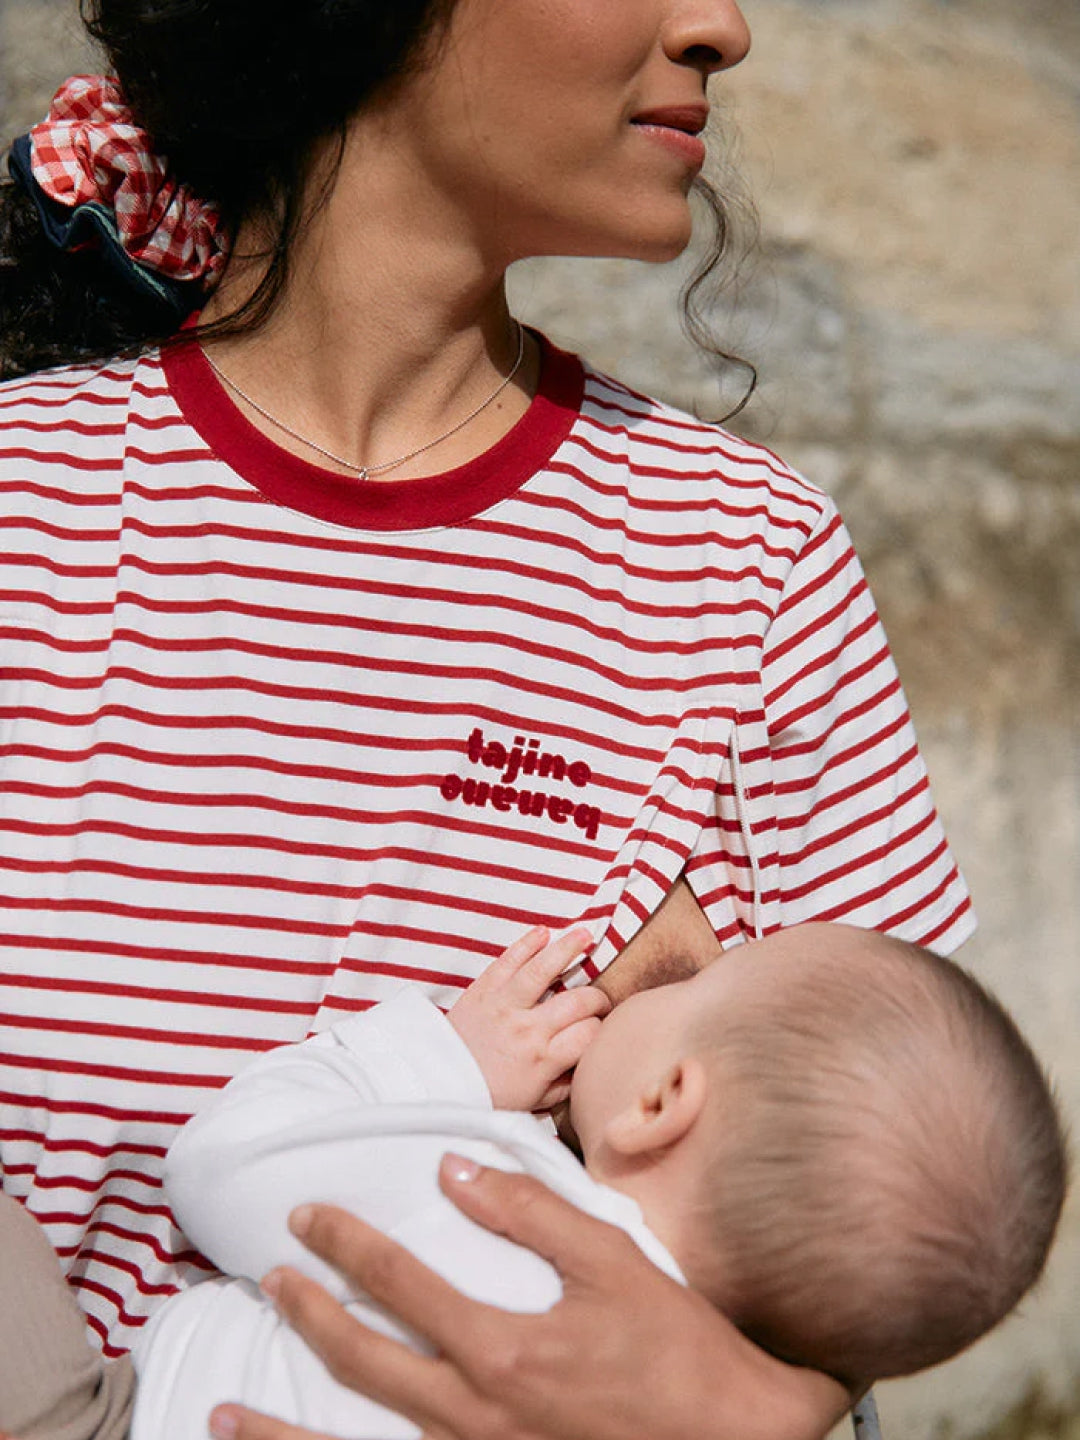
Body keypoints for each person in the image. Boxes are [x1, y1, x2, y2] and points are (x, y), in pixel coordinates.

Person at [0, 2, 978, 1438]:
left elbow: (894, 1198)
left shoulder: (749, 566)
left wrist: (748, 1409)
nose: (722, 26)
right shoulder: (29, 513)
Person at [0, 922, 1064, 1440]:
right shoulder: (696, 1380)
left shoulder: (499, 1192)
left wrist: (446, 1064)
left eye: (701, 980)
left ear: (662, 1103)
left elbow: (222, 1165)